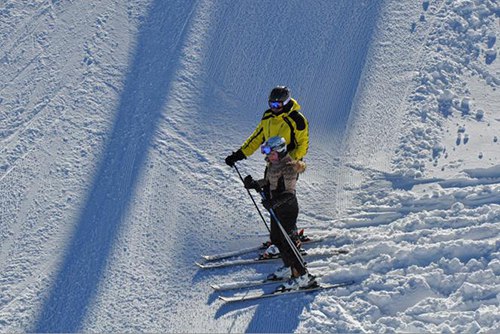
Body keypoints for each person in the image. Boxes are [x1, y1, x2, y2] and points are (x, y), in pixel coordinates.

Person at [224, 86, 310, 256]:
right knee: (271, 199)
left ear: (286, 103)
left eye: (278, 105)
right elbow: (257, 137)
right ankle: (278, 238)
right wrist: (239, 155)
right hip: (272, 165)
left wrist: (289, 161)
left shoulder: (297, 119)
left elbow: (303, 145)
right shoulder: (268, 116)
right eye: (272, 104)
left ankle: (291, 238)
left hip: (288, 165)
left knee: (285, 201)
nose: (274, 108)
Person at [243, 136, 317, 290]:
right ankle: (288, 267)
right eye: (265, 151)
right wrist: (255, 184)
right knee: (276, 239)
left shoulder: (289, 167)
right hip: (276, 207)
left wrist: (273, 202)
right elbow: (270, 182)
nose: (267, 155)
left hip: (287, 209)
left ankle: (303, 276)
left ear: (280, 150)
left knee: (288, 243)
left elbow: (289, 193)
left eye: (270, 152)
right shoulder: (273, 164)